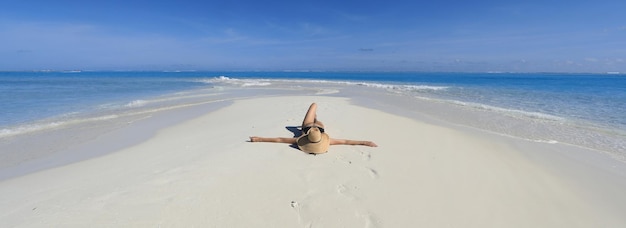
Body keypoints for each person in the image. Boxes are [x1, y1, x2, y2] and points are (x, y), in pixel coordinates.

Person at [249, 103, 378, 154]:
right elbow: (346, 142)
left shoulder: (300, 139)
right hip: (319, 128)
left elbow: (279, 140)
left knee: (314, 105)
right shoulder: (328, 141)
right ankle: (315, 118)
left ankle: (314, 117)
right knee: (316, 115)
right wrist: (366, 142)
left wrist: (259, 139)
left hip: (307, 125)